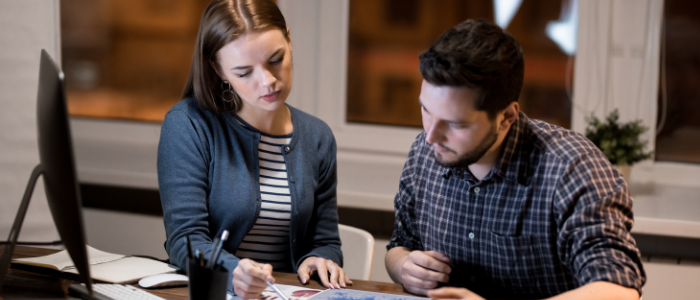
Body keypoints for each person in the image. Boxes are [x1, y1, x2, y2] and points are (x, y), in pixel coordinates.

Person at [384, 19, 646, 300]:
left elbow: (618, 287)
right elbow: (400, 245)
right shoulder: (426, 153)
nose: (431, 136)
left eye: (456, 124)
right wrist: (404, 267)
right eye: (425, 110)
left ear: (506, 117)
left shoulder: (572, 167)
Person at [157, 0, 350, 297]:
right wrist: (233, 270)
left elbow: (325, 241)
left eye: (276, 59)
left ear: (289, 38)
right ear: (218, 69)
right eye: (244, 72)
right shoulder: (188, 124)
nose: (268, 81)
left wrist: (321, 258)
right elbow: (185, 240)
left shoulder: (317, 137)